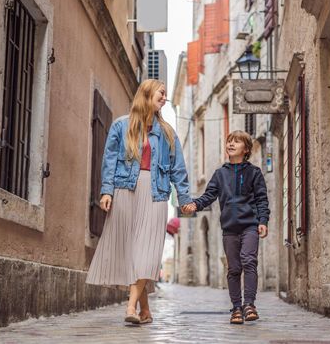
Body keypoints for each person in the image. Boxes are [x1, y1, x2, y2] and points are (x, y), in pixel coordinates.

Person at [86, 79, 192, 324]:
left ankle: (130, 308)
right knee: (131, 254)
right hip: (125, 189)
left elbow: (178, 169)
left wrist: (184, 199)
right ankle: (145, 310)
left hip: (156, 193)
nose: (164, 97)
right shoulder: (121, 126)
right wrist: (107, 192)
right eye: (161, 93)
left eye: (166, 94)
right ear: (146, 93)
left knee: (147, 253)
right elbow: (109, 160)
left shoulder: (167, 132)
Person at [183, 130, 270, 324]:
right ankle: (236, 308)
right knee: (233, 269)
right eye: (229, 141)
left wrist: (262, 221)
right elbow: (209, 195)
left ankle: (249, 305)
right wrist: (195, 204)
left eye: (236, 142)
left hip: (250, 226)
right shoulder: (220, 174)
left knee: (249, 261)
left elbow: (262, 199)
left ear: (246, 149)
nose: (230, 144)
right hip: (230, 228)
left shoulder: (254, 173)